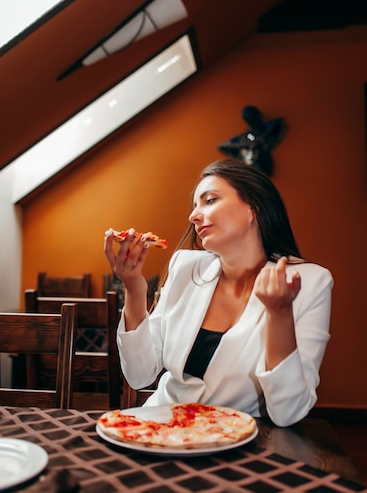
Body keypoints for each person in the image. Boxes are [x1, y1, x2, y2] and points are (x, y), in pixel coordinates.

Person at [104, 159, 333, 427]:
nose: (194, 215)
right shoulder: (185, 267)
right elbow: (139, 375)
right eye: (194, 206)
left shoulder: (309, 282)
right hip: (161, 429)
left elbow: (288, 413)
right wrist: (133, 289)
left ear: (253, 209)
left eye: (209, 200)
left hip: (238, 441)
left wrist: (280, 314)